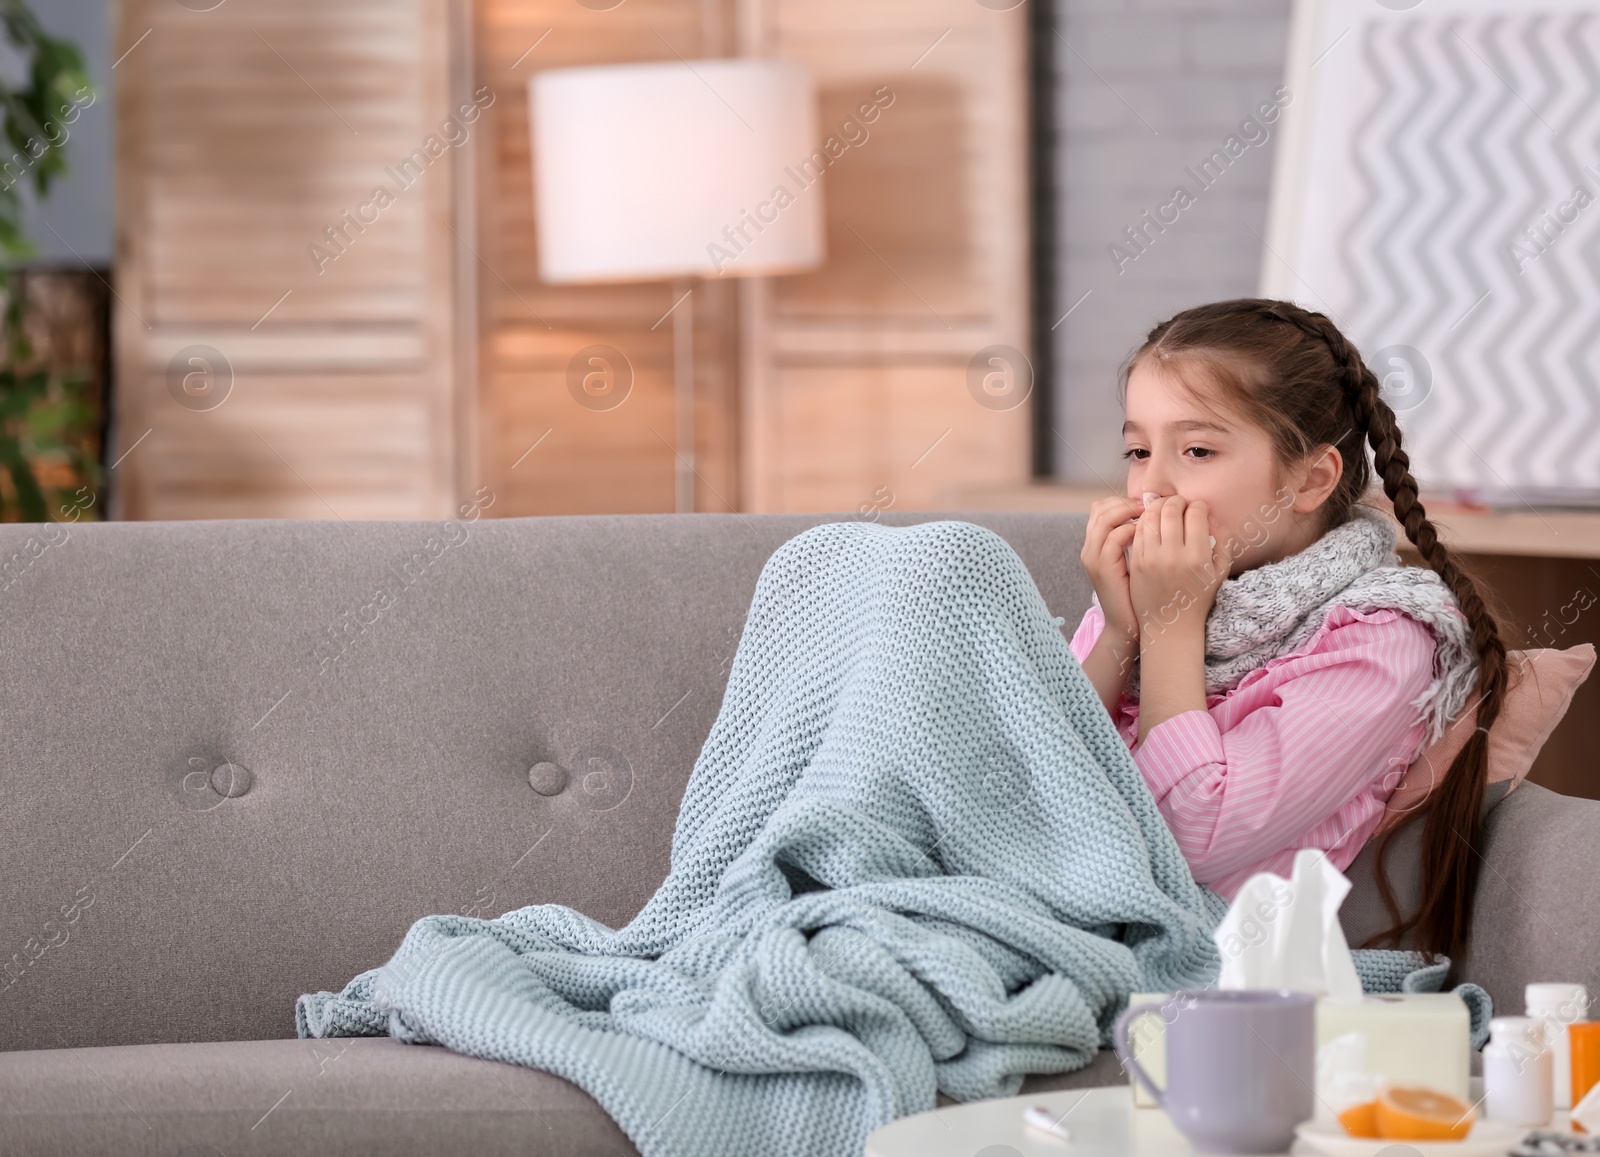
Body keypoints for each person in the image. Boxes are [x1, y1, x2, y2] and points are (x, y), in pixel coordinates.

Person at [1072, 297, 1509, 964]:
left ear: (1309, 480)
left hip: (1181, 947)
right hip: (1052, 888)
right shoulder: (1149, 590)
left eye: (1196, 449)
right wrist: (1120, 635)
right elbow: (1032, 768)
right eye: (1137, 449)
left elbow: (1193, 837)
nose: (1151, 487)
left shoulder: (1379, 639)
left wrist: (1170, 627)